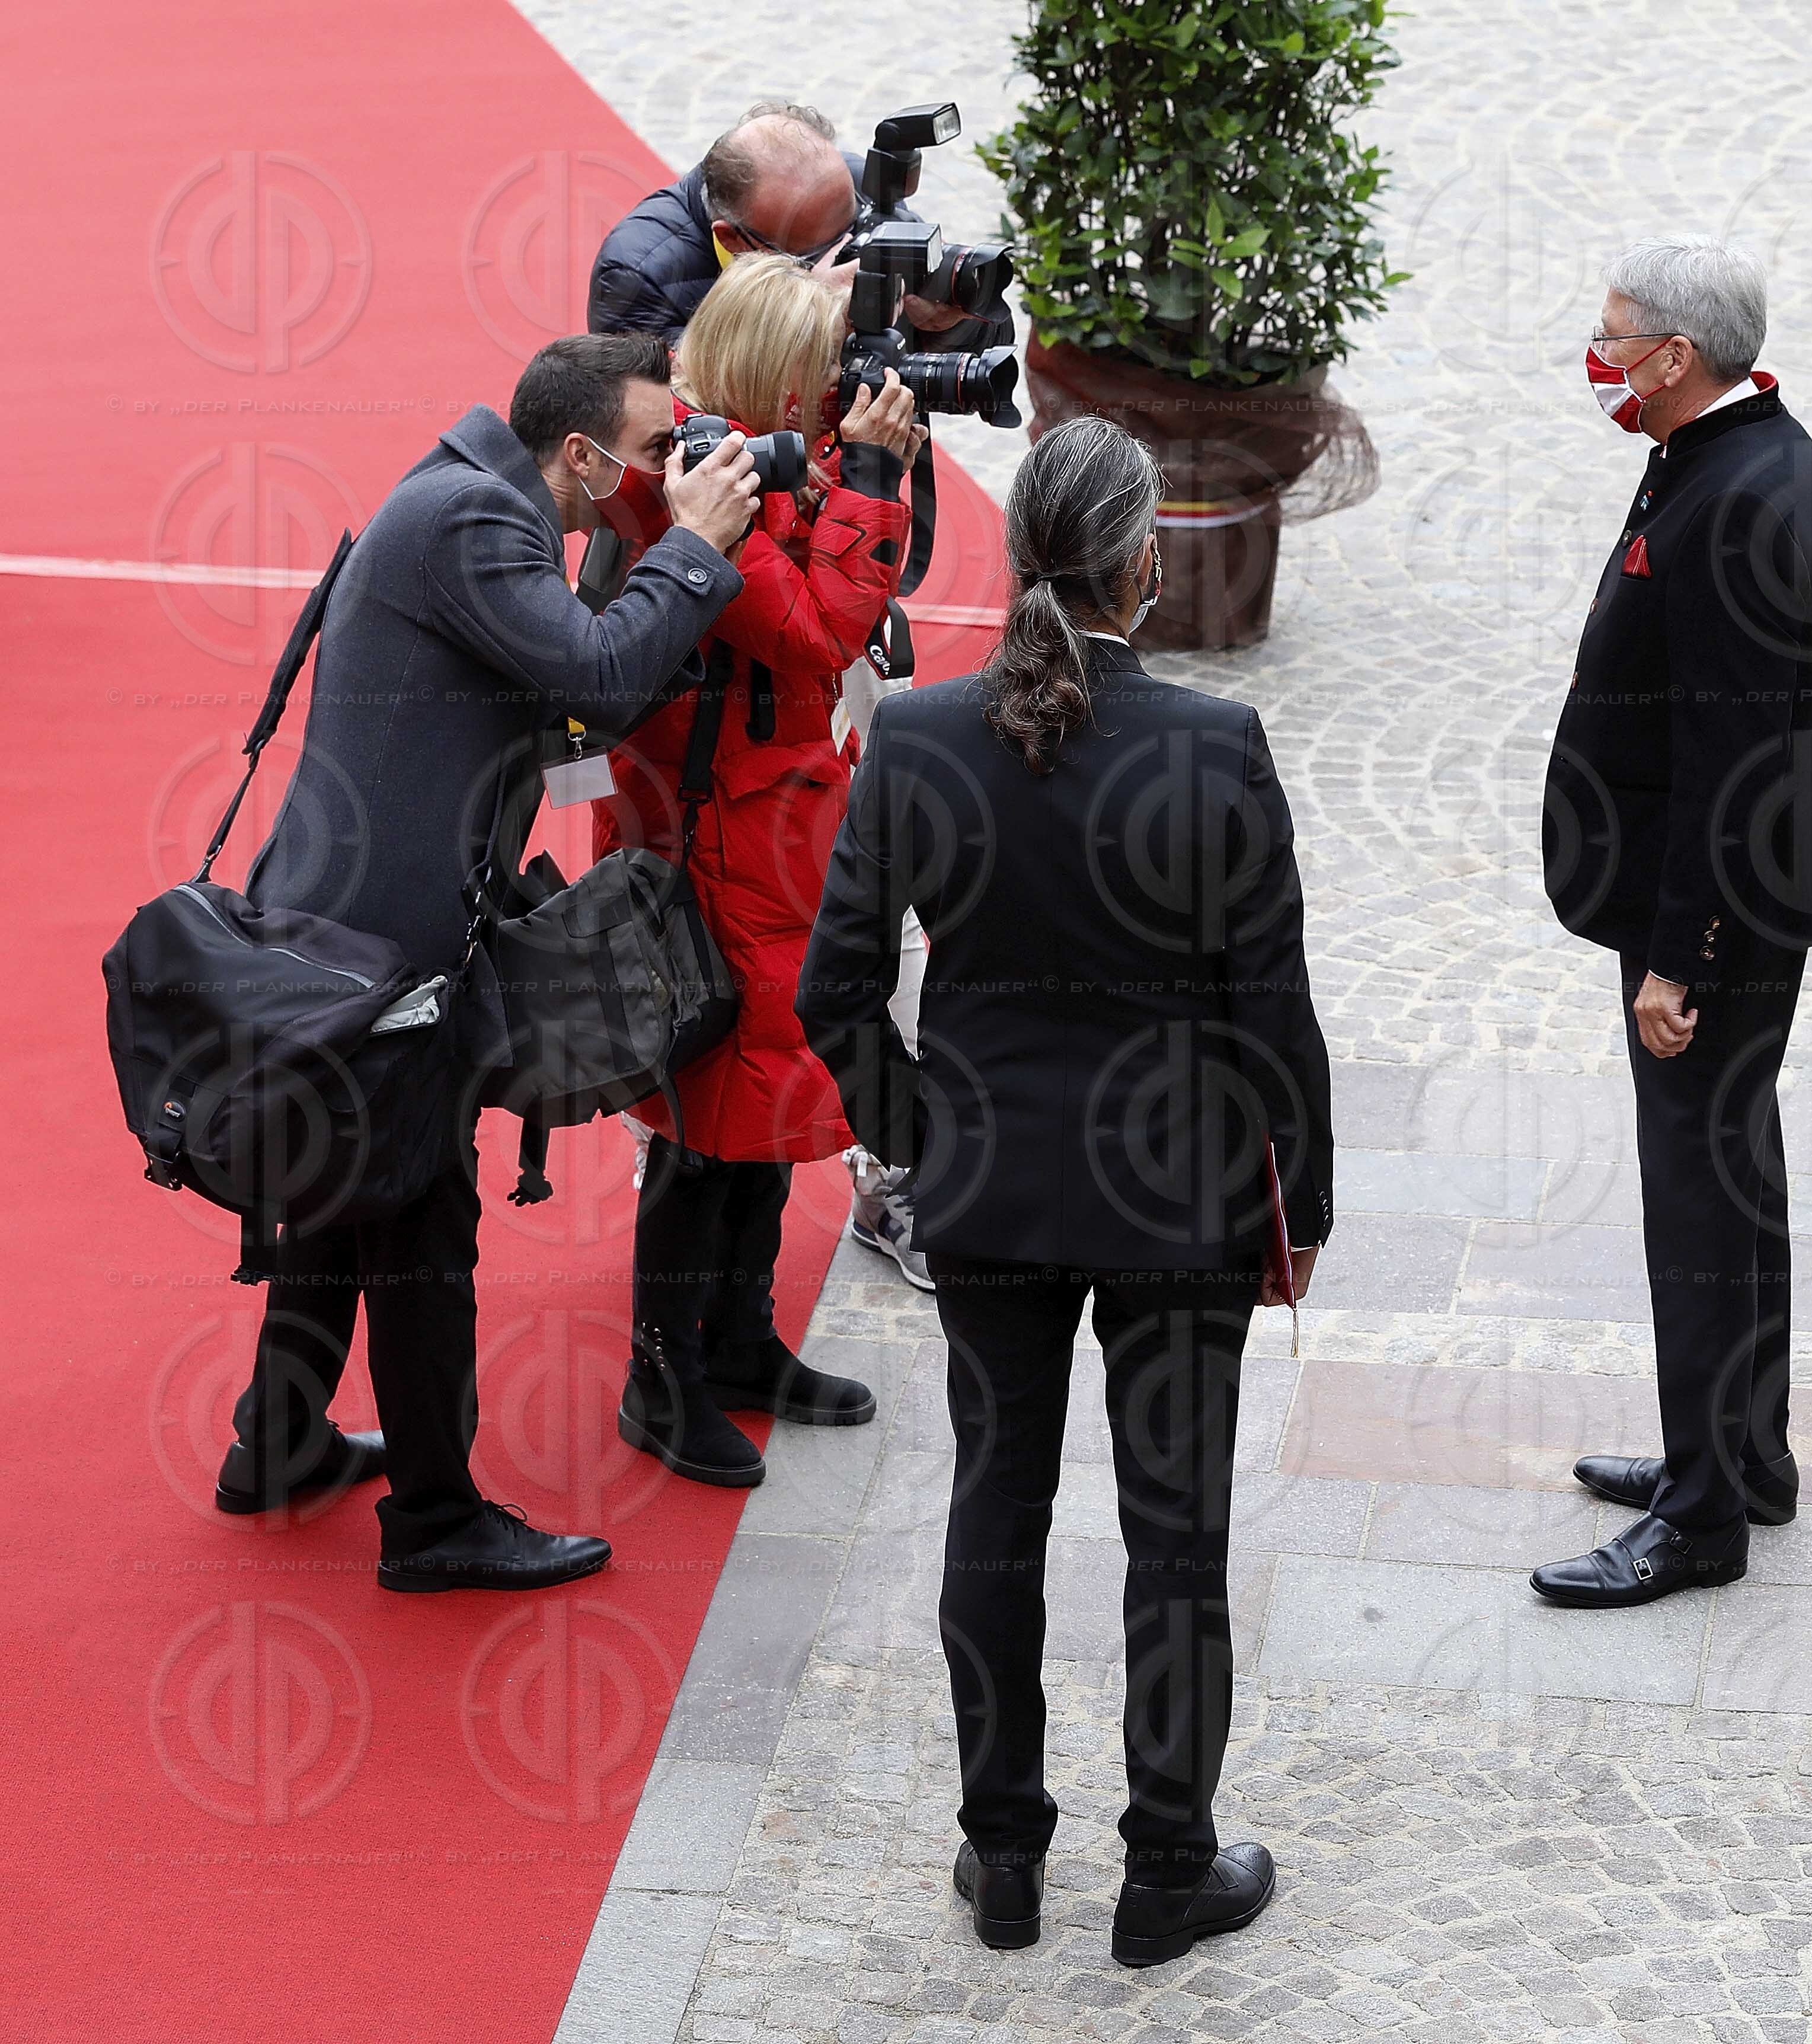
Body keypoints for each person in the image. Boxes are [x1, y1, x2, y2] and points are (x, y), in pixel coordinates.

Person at [797, 416, 1335, 1968]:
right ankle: (1165, 1860)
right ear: (1142, 563)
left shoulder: (919, 739)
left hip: (994, 1205)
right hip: (1175, 1211)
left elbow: (837, 992)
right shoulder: (1211, 748)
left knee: (994, 1509)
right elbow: (1270, 1010)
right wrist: (1294, 1195)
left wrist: (926, 1131)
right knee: (1175, 1537)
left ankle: (1003, 1849)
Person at [216, 334, 761, 1592]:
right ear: (578, 455)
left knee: (338, 1191)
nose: (658, 472)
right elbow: (600, 676)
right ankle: (437, 1519)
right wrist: (693, 549)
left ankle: (279, 1440)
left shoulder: (476, 499)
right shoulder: (476, 519)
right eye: (644, 452)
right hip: (388, 947)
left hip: (342, 922)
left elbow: (562, 711)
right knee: (418, 1217)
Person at [1533, 236, 1812, 1609]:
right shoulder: (1722, 454)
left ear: (1676, 356)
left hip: (1711, 918)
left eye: (1613, 338)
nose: (1596, 357)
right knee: (1736, 1180)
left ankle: (1701, 1513)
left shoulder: (1743, 492)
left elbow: (1734, 752)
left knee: (1697, 1210)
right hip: (1716, 898)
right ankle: (1737, 1451)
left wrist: (1681, 954)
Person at [594, 254, 925, 1486]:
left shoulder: (762, 460)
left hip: (780, 827)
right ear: (779, 379)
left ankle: (736, 1340)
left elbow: (838, 598)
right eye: (824, 368)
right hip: (720, 837)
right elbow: (813, 626)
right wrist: (876, 479)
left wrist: (862, 479)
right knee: (704, 1122)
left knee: (777, 1100)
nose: (842, 387)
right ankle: (658, 1375)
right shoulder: (702, 479)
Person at [587, 98, 1009, 352]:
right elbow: (672, 422)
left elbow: (977, 349)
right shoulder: (639, 276)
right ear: (733, 239)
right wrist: (809, 310)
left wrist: (943, 327)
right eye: (812, 255)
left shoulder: (855, 185)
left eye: (854, 229)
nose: (849, 251)